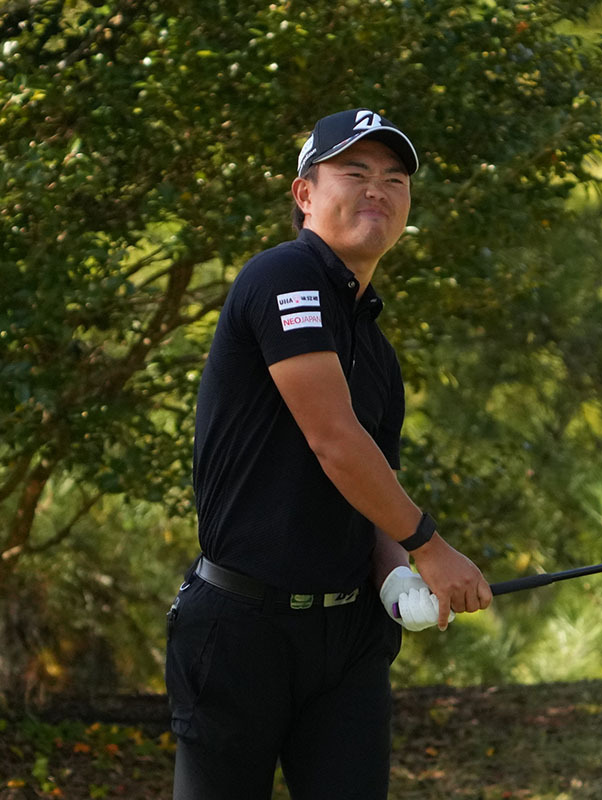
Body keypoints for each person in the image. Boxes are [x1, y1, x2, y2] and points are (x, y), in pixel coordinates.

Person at [166, 108, 493, 800]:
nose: (377, 188)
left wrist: (399, 576)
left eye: (394, 178)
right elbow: (333, 439)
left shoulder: (377, 352)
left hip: (346, 641)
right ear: (305, 194)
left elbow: (372, 488)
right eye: (355, 172)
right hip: (240, 627)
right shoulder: (281, 276)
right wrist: (431, 547)